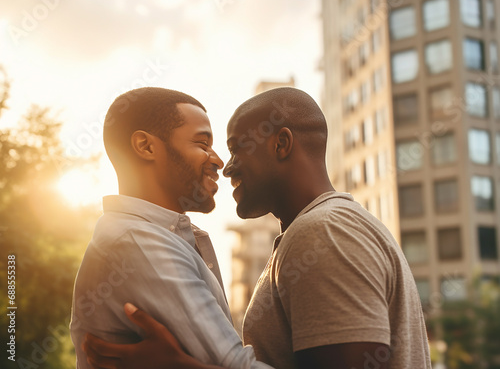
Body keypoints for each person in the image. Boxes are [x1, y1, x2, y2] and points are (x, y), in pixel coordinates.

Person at [83, 87, 432, 368]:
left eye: (237, 148)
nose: (226, 165)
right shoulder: (317, 231)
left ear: (281, 144)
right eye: (206, 144)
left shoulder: (324, 231)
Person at [70, 87, 273, 369]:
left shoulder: (156, 236)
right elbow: (238, 366)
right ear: (146, 146)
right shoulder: (139, 243)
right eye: (202, 144)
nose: (218, 161)